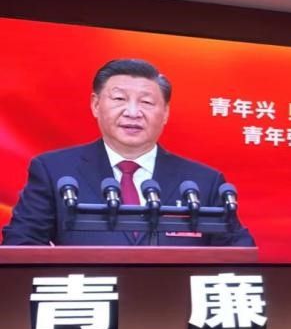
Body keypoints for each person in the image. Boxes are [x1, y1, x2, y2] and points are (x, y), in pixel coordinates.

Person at [3, 58, 254, 247]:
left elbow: (239, 251)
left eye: (146, 102)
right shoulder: (54, 171)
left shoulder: (204, 182)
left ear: (165, 113)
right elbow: (20, 244)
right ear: (95, 105)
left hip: (175, 301)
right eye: (119, 99)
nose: (133, 112)